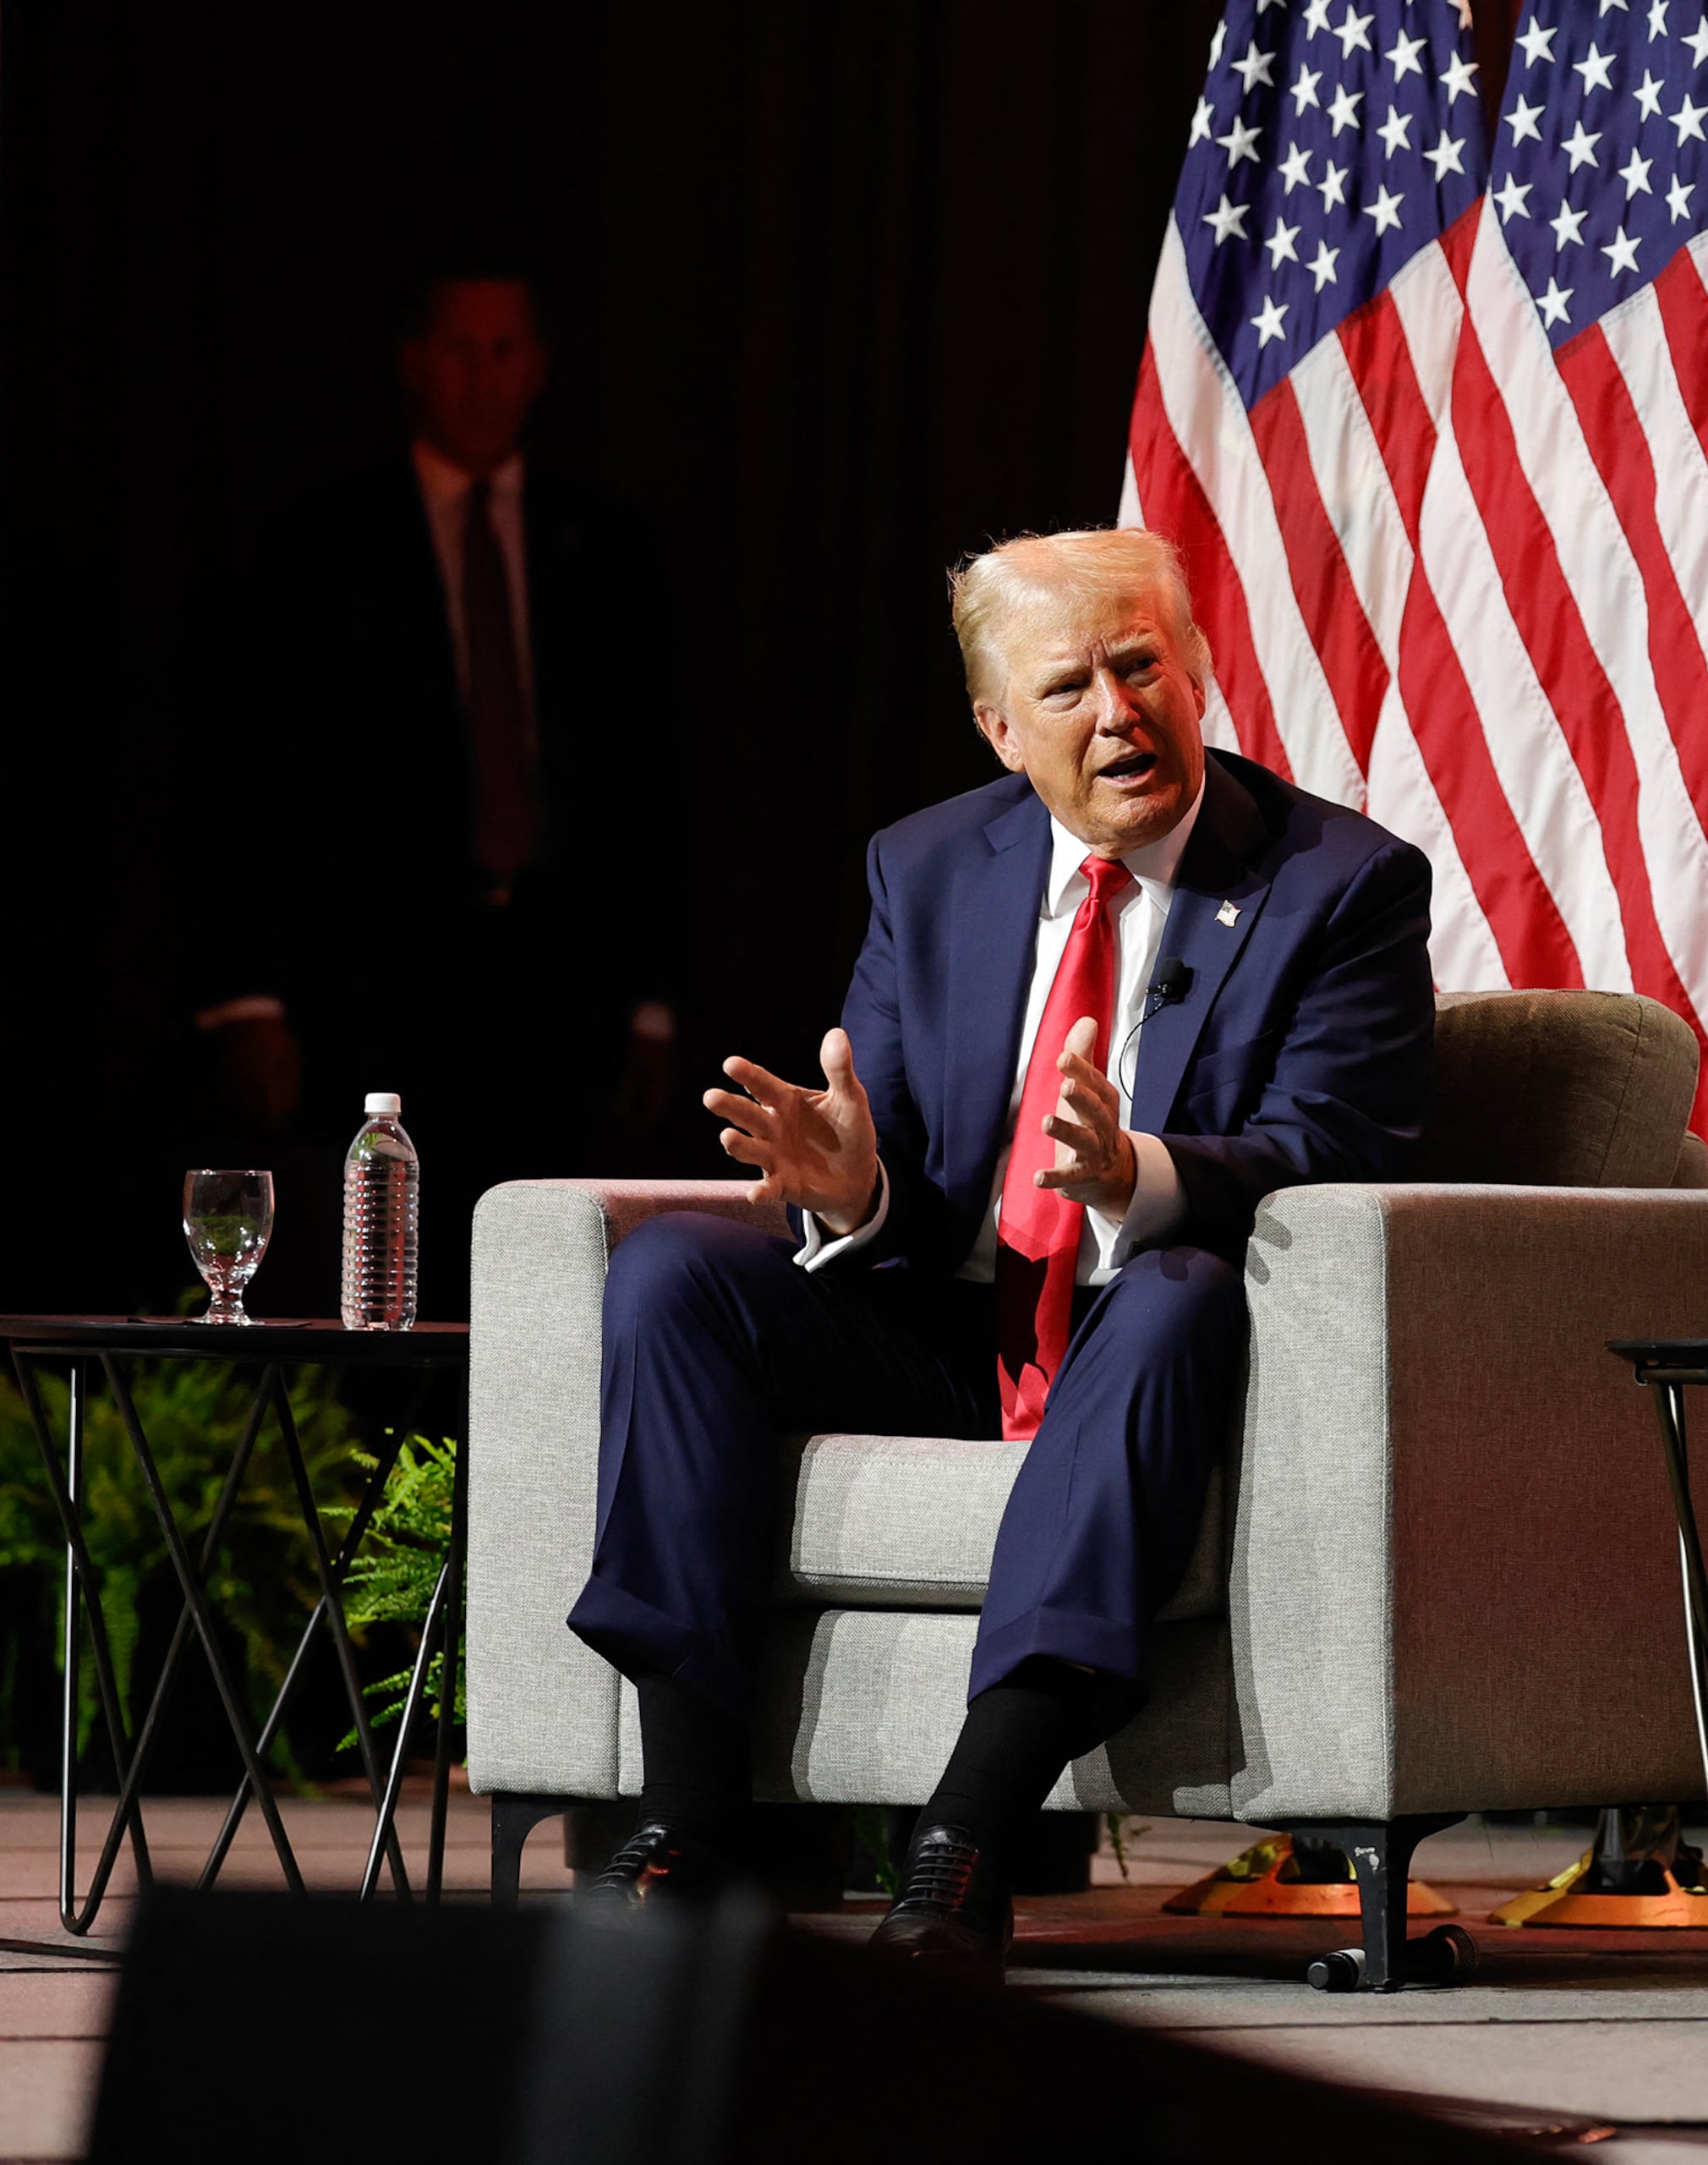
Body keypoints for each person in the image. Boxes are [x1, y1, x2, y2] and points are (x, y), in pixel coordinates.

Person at [566, 529, 1435, 1981]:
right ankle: (688, 1827)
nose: (1119, 712)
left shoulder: (1337, 885)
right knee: (670, 1276)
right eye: (1071, 685)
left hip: (1158, 1348)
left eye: (1143, 664)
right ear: (1000, 727)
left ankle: (964, 1839)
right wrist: (854, 1194)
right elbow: (893, 1153)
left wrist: (1140, 1175)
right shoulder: (928, 869)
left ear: (1197, 666)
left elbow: (1344, 1150)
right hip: (953, 1332)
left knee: (1168, 1293)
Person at [226, 269, 677, 1314]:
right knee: (377, 1271)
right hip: (374, 968)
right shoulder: (326, 540)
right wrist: (251, 998)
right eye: (462, 350)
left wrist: (651, 1001)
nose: (484, 377)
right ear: (416, 363)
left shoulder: (603, 546)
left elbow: (648, 787)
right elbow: (260, 770)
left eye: (506, 349)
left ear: (541, 368)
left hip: (560, 984)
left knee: (545, 1284)